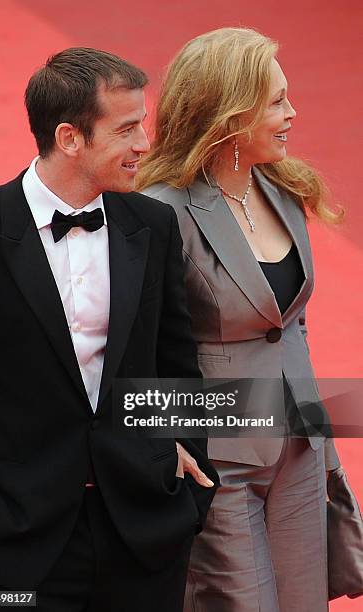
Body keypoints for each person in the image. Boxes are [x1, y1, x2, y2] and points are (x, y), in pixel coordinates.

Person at [0, 47, 219, 612]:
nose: (144, 145)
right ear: (69, 137)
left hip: (144, 531)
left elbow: (176, 363)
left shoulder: (152, 225)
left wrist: (185, 475)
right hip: (20, 545)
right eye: (127, 129)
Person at [138, 27, 343, 612]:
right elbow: (142, 343)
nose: (293, 113)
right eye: (276, 102)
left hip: (299, 443)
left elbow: (291, 323)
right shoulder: (161, 210)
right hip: (220, 458)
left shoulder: (281, 187)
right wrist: (169, 435)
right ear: (229, 116)